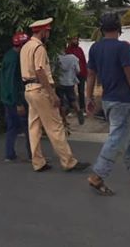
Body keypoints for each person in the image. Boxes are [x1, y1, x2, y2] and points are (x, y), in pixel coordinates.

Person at [86, 13, 130, 196]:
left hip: (108, 100)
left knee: (127, 140)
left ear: (101, 29)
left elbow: (91, 75)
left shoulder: (94, 48)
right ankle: (97, 176)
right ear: (119, 28)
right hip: (123, 100)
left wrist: (88, 98)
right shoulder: (122, 47)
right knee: (117, 138)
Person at [20, 17, 90, 173]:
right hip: (39, 89)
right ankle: (68, 161)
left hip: (29, 89)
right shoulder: (39, 48)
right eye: (48, 31)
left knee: (34, 127)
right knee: (55, 126)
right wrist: (52, 94)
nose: (49, 34)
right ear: (43, 32)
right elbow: (40, 71)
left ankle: (38, 162)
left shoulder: (26, 47)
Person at [0, 32, 31, 162]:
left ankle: (9, 154)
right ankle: (33, 155)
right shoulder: (17, 59)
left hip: (6, 97)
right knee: (28, 127)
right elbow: (14, 81)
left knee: (12, 126)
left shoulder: (8, 55)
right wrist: (19, 103)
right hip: (15, 98)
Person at [55, 51, 85, 125]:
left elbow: (53, 70)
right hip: (70, 82)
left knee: (61, 102)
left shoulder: (56, 58)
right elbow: (78, 70)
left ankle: (64, 120)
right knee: (73, 99)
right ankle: (78, 110)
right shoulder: (73, 58)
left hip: (60, 83)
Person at [66, 35, 87, 115]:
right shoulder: (67, 50)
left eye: (76, 39)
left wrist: (85, 73)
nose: (75, 41)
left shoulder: (80, 49)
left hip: (81, 73)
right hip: (71, 74)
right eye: (74, 39)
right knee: (70, 91)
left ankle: (82, 108)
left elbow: (83, 61)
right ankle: (71, 108)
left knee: (81, 91)